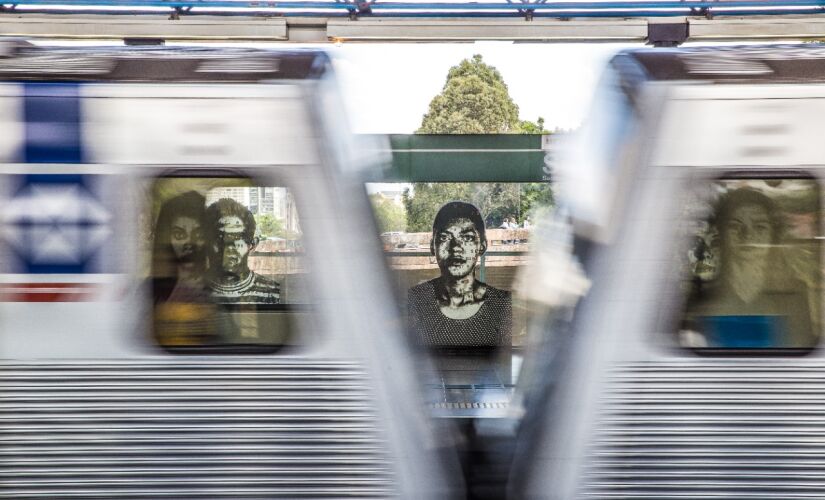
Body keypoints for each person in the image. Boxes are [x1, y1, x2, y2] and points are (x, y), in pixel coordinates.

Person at [682, 188, 814, 348]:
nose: (747, 236)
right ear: (722, 234)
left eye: (760, 227)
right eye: (735, 226)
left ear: (773, 236)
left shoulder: (794, 295)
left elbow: (799, 358)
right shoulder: (701, 294)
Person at [408, 201, 511, 347]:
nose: (456, 247)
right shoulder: (415, 299)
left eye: (467, 238)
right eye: (445, 238)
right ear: (432, 246)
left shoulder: (502, 304)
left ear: (482, 246)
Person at [204, 197, 281, 305]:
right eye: (219, 237)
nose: (228, 247)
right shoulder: (190, 293)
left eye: (237, 238)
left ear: (253, 244)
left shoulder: (273, 293)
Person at [151, 191, 208, 304]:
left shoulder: (224, 288)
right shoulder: (150, 289)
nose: (189, 244)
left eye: (199, 235)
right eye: (179, 235)